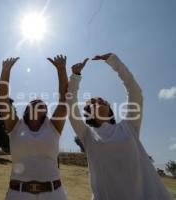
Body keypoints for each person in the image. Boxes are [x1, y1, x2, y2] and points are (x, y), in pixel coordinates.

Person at [67, 53, 173, 200]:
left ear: (109, 108)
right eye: (94, 103)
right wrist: (75, 76)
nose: (101, 103)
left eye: (103, 101)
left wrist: (113, 61)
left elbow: (135, 91)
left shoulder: (129, 125)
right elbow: (71, 106)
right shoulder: (87, 134)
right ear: (89, 113)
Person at [0, 55, 68, 200]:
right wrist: (5, 71)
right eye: (34, 101)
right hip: (18, 194)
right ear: (28, 109)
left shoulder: (53, 126)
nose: (38, 101)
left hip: (54, 194)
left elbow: (64, 100)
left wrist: (61, 70)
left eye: (41, 102)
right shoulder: (15, 126)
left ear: (46, 110)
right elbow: (2, 100)